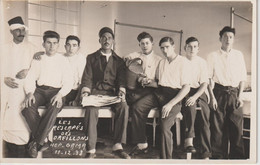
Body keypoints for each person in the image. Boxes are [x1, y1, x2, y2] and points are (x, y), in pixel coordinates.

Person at [129, 37, 191, 159]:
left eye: (167, 47)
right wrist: (147, 81)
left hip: (175, 97)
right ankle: (142, 143)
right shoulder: (162, 62)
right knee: (137, 107)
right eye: (162, 48)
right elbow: (158, 83)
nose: (164, 50)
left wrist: (170, 104)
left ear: (173, 46)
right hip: (159, 93)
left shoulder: (183, 62)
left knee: (164, 127)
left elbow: (186, 88)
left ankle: (166, 159)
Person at [21, 30, 73, 158]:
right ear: (43, 44)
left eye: (55, 43)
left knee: (54, 106)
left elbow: (69, 81)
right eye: (48, 43)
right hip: (39, 90)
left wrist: (60, 94)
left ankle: (37, 142)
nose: (52, 46)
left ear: (58, 45)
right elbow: (31, 77)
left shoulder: (63, 60)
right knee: (27, 107)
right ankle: (43, 140)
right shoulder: (38, 58)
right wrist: (29, 93)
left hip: (56, 92)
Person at [80, 27, 130, 159]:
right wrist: (86, 92)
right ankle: (90, 149)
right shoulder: (91, 58)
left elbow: (121, 80)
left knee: (124, 107)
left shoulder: (119, 61)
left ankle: (118, 145)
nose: (106, 40)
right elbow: (87, 77)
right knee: (90, 109)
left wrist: (121, 91)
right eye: (104, 38)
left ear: (113, 40)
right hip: (96, 92)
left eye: (109, 38)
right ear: (99, 40)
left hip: (113, 93)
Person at [0, 16, 38, 158]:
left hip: (25, 88)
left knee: (22, 113)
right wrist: (3, 78)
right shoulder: (3, 48)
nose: (21, 33)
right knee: (7, 116)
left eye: (23, 30)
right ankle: (9, 146)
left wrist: (28, 71)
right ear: (11, 32)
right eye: (17, 31)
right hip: (6, 88)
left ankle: (26, 145)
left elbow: (38, 68)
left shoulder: (32, 48)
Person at [207, 26, 247, 159]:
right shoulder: (212, 56)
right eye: (225, 37)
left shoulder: (238, 55)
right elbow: (208, 79)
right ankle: (218, 157)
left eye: (230, 37)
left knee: (236, 128)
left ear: (234, 39)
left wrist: (240, 97)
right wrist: (212, 98)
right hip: (218, 92)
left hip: (234, 94)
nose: (228, 39)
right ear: (220, 39)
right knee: (218, 128)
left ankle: (238, 158)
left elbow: (242, 78)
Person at [124, 32, 162, 155]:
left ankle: (141, 142)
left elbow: (160, 82)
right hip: (139, 89)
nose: (145, 46)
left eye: (147, 43)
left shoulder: (159, 60)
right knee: (125, 100)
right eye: (142, 43)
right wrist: (128, 60)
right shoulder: (136, 55)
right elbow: (127, 58)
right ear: (139, 44)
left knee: (136, 106)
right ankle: (128, 139)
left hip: (153, 90)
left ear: (152, 44)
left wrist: (148, 81)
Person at [33, 35, 86, 106]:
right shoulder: (61, 57)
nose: (71, 48)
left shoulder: (80, 59)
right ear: (65, 46)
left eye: (74, 45)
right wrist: (39, 53)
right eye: (68, 45)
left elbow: (82, 82)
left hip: (74, 92)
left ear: (78, 48)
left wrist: (76, 100)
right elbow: (50, 55)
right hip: (60, 90)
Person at [182, 37, 211, 159]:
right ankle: (188, 142)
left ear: (198, 49)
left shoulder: (202, 62)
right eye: (189, 46)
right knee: (190, 107)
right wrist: (190, 97)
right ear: (185, 48)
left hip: (199, 91)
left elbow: (205, 83)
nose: (192, 49)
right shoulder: (181, 61)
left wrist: (195, 96)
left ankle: (206, 153)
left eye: (195, 46)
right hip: (185, 90)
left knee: (205, 115)